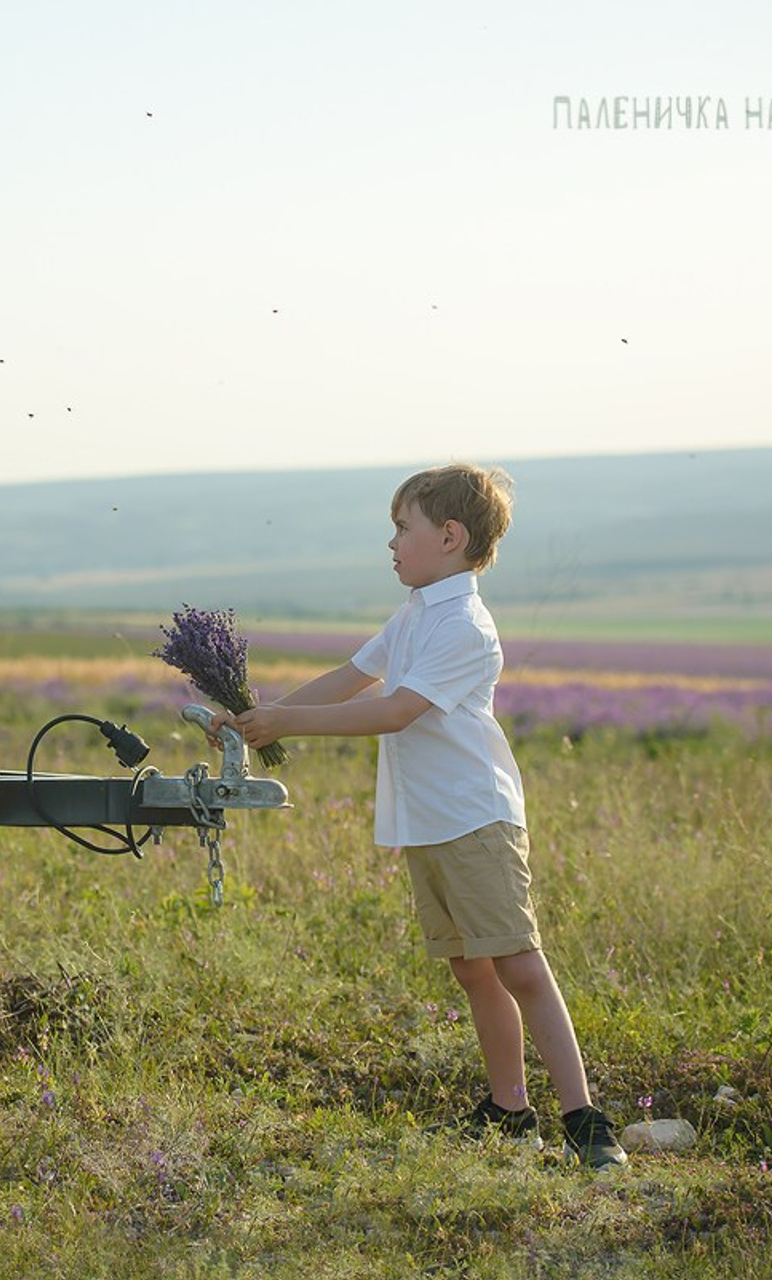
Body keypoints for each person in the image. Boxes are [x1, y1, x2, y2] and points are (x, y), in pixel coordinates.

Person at [213, 462, 627, 1169]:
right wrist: (261, 718)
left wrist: (288, 723)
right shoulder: (414, 613)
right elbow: (351, 679)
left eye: (402, 528)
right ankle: (508, 1110)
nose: (392, 543)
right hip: (429, 821)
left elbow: (396, 711)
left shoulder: (465, 626)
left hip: (474, 818)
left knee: (519, 963)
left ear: (449, 536)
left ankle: (585, 1119)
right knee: (473, 969)